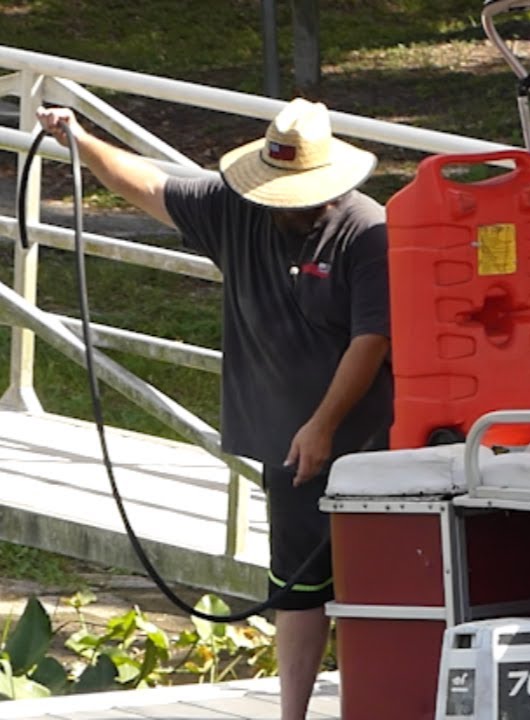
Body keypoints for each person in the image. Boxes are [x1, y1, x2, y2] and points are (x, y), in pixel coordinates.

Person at [37, 99, 393, 720]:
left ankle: (380, 706)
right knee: (296, 587)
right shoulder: (236, 207)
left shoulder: (368, 232)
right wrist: (80, 140)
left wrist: (324, 425)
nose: (281, 205)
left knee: (374, 589)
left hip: (370, 447)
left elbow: (373, 339)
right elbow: (148, 185)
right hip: (288, 445)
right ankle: (292, 714)